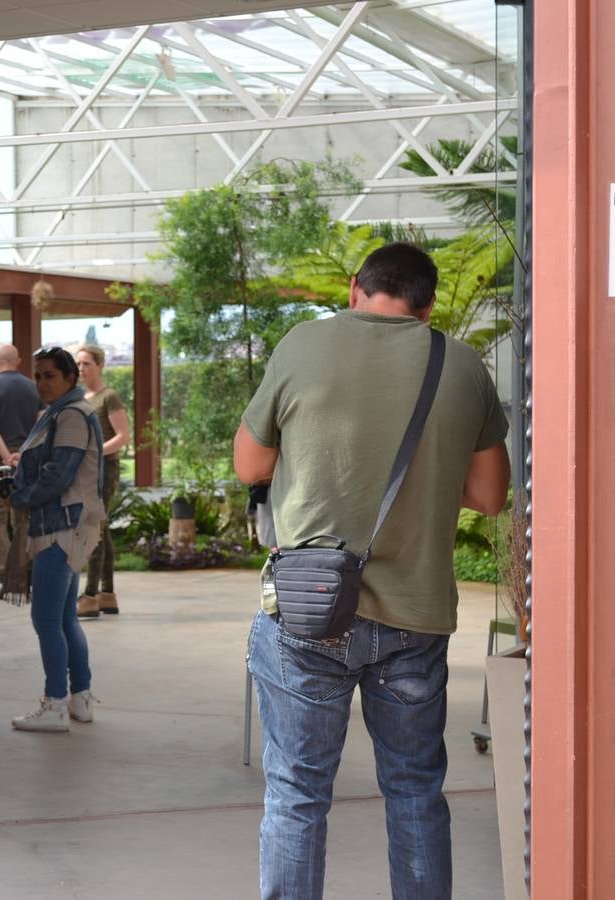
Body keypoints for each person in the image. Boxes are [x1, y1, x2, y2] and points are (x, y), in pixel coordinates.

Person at [233, 243, 510, 899]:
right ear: (429, 303)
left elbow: (250, 467)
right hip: (414, 618)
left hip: (307, 611)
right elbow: (492, 495)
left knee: (298, 793)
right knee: (415, 789)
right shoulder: (462, 365)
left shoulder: (304, 346)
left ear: (355, 288)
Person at [8, 346, 105, 732]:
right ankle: (79, 698)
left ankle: (56, 705)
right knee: (64, 618)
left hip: (61, 527)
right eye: (38, 375)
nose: (41, 383)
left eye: (50, 375)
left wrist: (19, 497)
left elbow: (58, 477)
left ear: (70, 378)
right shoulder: (65, 413)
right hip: (69, 525)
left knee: (46, 619)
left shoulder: (70, 416)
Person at [0, 343, 40, 601]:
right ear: (19, 361)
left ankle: (6, 578)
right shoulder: (34, 388)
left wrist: (5, 455)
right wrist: (22, 454)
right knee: (24, 517)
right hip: (28, 459)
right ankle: (27, 577)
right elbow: (41, 425)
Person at [75, 345, 130, 618]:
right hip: (86, 471)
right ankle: (107, 594)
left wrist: (95, 450)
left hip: (105, 470)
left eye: (87, 363)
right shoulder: (81, 397)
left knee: (93, 527)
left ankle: (89, 595)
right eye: (79, 364)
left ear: (100, 365)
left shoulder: (109, 397)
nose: (81, 368)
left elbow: (122, 435)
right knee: (102, 528)